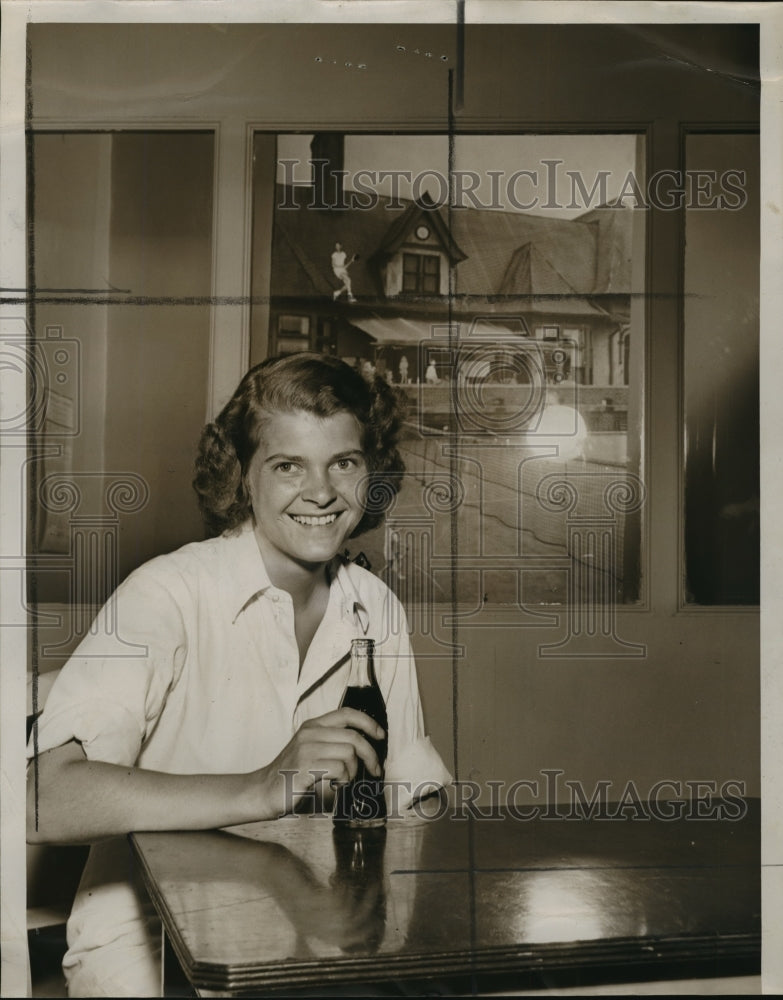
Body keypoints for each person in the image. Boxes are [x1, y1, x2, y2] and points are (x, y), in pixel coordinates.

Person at [26, 353, 452, 997]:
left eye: (344, 462)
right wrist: (262, 788)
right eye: (288, 466)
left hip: (322, 928)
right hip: (150, 938)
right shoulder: (166, 592)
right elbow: (45, 800)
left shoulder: (375, 607)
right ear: (242, 478)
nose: (322, 491)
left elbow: (411, 802)